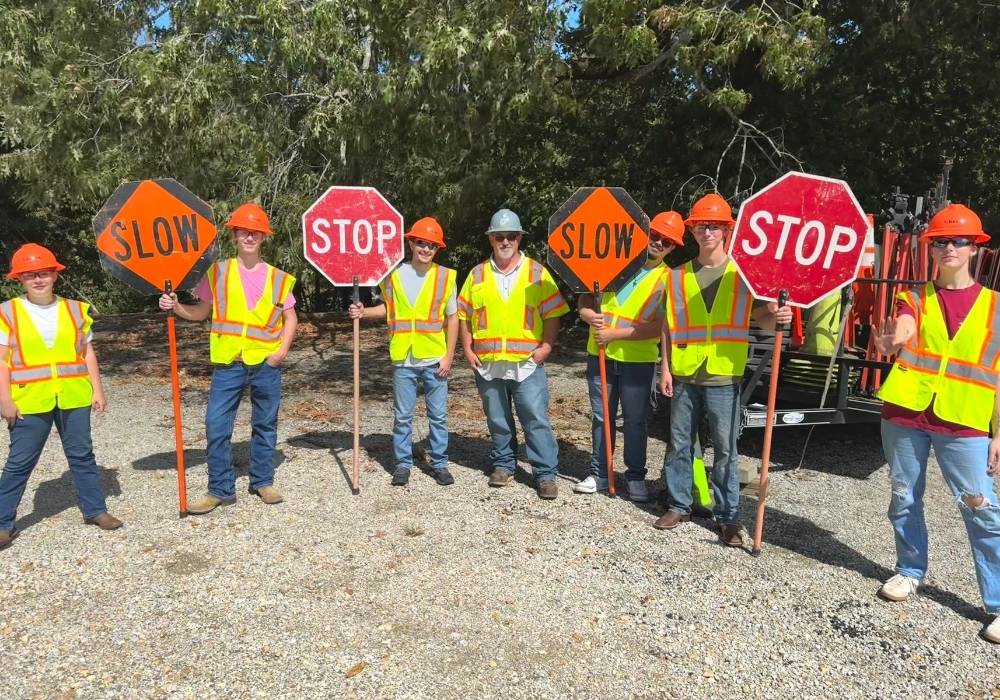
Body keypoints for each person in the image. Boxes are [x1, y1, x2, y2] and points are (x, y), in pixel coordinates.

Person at [873, 203, 1000, 644]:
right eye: (941, 241)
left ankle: (998, 602)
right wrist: (895, 339)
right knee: (904, 496)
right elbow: (903, 328)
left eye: (959, 240)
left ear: (975, 248)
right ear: (930, 248)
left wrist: (998, 434)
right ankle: (910, 570)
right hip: (906, 413)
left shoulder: (997, 309)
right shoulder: (913, 297)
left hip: (964, 422)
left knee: (981, 510)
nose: (949, 247)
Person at [655, 193, 791, 546]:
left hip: (724, 375)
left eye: (714, 226)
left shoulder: (743, 275)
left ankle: (729, 517)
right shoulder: (676, 276)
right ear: (693, 231)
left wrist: (776, 316)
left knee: (727, 450)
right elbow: (669, 326)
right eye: (701, 226)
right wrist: (665, 368)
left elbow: (759, 316)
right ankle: (678, 504)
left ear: (727, 230)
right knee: (680, 444)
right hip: (685, 373)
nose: (707, 232)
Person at [159, 202, 297, 514]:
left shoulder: (279, 278)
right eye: (243, 232)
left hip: (266, 364)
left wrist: (281, 352)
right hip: (229, 363)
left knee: (265, 423)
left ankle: (262, 481)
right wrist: (176, 307)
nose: (249, 237)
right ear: (234, 235)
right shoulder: (217, 272)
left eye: (256, 233)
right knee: (216, 425)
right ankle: (220, 489)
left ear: (264, 238)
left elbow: (291, 319)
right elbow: (200, 313)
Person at [0, 243, 122, 548]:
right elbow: (2, 360)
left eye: (43, 273)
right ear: (20, 279)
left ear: (55, 275)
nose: (38, 279)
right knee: (20, 462)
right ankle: (3, 523)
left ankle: (96, 511)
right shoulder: (7, 312)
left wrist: (98, 388)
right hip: (29, 399)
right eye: (30, 275)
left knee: (82, 456)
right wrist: (5, 399)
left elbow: (87, 353)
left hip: (73, 395)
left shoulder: (75, 309)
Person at [458, 208, 569, 499]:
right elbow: (464, 315)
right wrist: (467, 348)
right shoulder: (477, 274)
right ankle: (504, 465)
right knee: (497, 418)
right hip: (488, 363)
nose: (505, 241)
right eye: (499, 237)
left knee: (534, 417)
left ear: (519, 238)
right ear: (491, 240)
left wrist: (546, 347)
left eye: (510, 236)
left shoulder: (537, 273)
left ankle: (545, 474)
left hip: (526, 364)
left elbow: (553, 313)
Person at [574, 211, 682, 501]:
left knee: (635, 421)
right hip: (599, 355)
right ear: (644, 233)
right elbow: (584, 298)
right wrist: (586, 315)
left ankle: (635, 477)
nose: (659, 243)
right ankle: (599, 473)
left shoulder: (668, 279)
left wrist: (614, 335)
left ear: (673, 248)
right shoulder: (612, 261)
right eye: (655, 235)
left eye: (667, 242)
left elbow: (659, 327)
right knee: (601, 417)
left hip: (638, 360)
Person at [349, 217, 458, 487]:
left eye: (432, 245)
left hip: (435, 357)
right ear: (411, 243)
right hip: (404, 358)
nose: (426, 249)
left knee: (438, 415)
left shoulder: (446, 277)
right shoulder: (393, 275)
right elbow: (388, 309)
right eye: (421, 243)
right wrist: (363, 312)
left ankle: (440, 463)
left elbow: (453, 318)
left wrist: (449, 356)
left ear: (437, 249)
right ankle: (402, 464)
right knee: (403, 416)